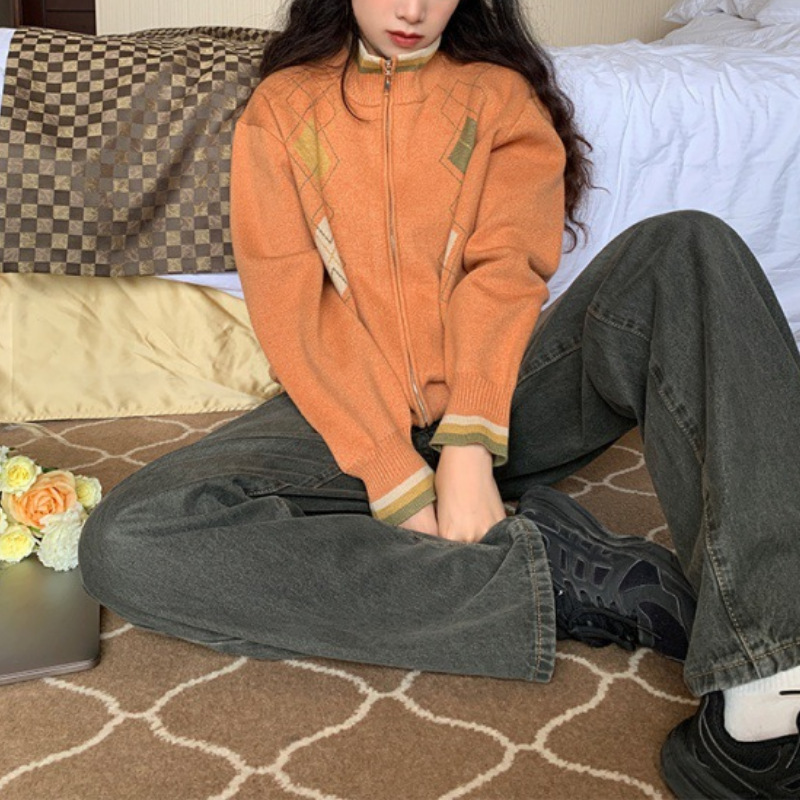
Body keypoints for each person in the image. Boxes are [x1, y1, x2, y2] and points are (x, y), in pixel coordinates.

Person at [78, 0, 800, 796]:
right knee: (128, 540)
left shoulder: (498, 95)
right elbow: (294, 312)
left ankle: (772, 680)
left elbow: (504, 274)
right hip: (338, 408)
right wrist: (393, 475)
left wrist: (467, 448)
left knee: (689, 246)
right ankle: (562, 574)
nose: (413, 9)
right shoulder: (283, 108)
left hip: (506, 391)